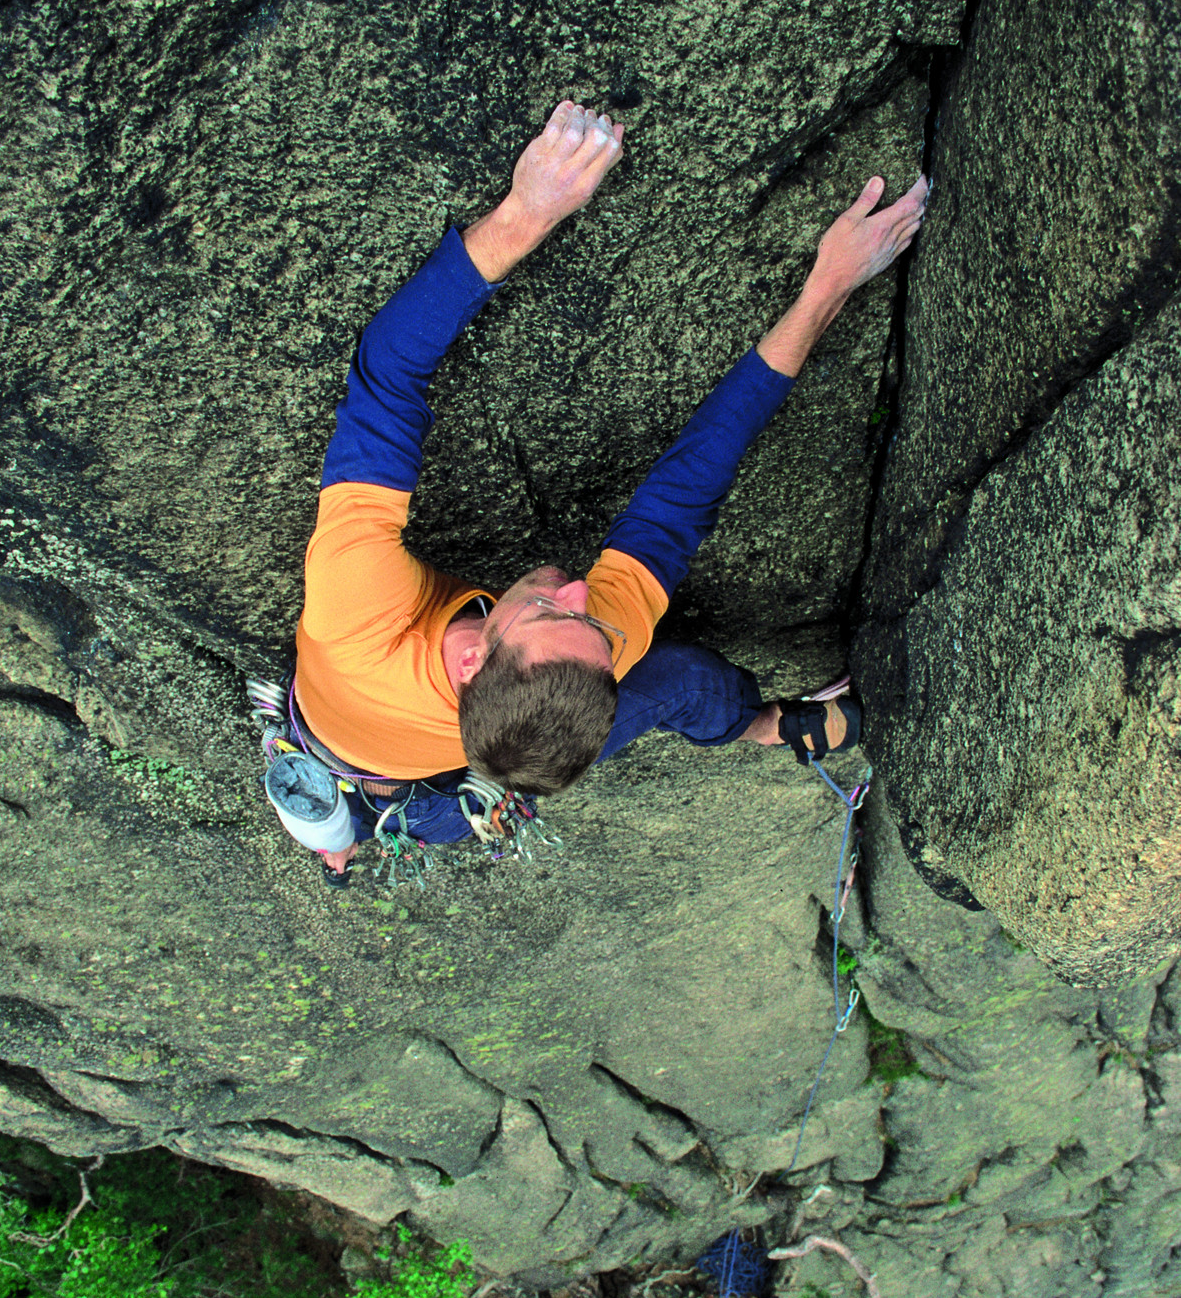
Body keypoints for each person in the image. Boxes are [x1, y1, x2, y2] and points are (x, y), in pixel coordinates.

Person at [291, 100, 927, 873]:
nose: (583, 595)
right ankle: (766, 726)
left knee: (436, 793)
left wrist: (527, 213)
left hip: (387, 746)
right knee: (682, 682)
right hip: (428, 792)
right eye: (593, 629)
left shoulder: (356, 612)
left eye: (557, 611)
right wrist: (826, 289)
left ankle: (340, 834)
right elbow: (683, 492)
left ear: (471, 663)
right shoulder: (599, 646)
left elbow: (387, 373)